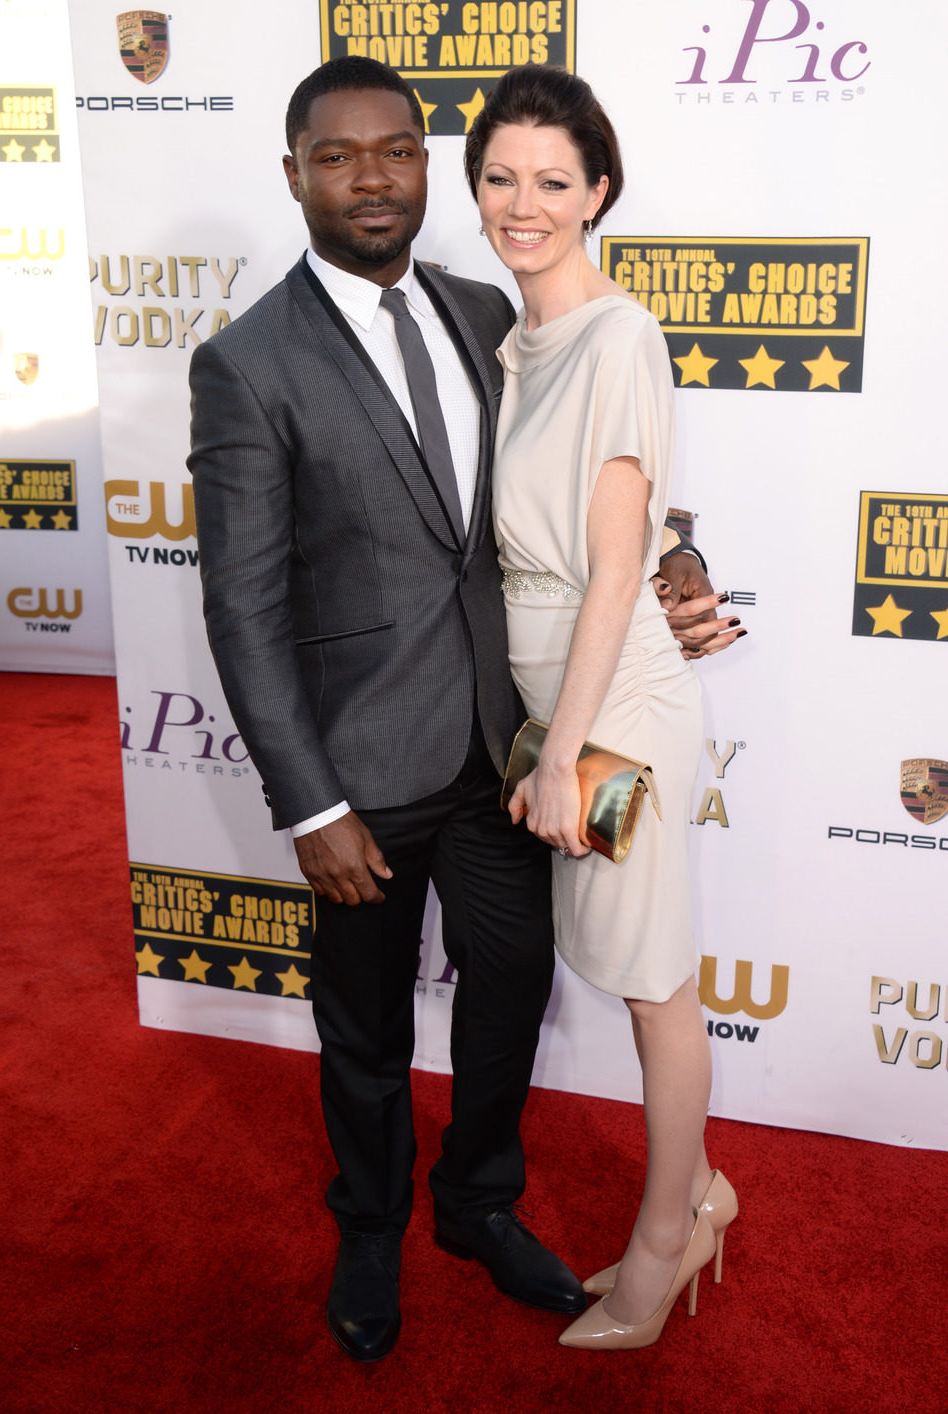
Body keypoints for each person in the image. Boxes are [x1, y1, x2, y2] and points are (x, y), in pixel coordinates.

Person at [188, 56, 740, 1363]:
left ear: (426, 168)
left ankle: (481, 1200)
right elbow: (242, 606)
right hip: (367, 772)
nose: (373, 176)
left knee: (524, 979)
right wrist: (309, 798)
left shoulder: (484, 306)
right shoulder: (247, 361)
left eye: (397, 151)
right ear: (295, 176)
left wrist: (676, 559)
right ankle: (372, 1220)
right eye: (339, 155)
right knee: (365, 1019)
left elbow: (592, 498)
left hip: (527, 743)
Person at [464, 65, 740, 1351]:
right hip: (558, 705)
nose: (525, 204)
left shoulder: (620, 335)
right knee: (636, 971)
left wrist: (565, 753)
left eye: (554, 182)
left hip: (611, 698)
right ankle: (700, 1192)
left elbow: (619, 564)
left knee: (652, 987)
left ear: (600, 193)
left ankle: (665, 1243)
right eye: (503, 176)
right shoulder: (512, 339)